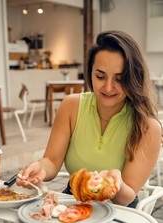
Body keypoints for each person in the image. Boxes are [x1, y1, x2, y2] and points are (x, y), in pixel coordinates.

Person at [16, 30, 162, 208]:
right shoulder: (71, 106)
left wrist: (115, 183)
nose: (108, 87)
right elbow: (52, 162)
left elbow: (126, 196)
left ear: (133, 78)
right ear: (90, 72)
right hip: (74, 198)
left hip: (120, 208)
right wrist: (39, 168)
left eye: (120, 78)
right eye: (100, 76)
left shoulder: (147, 127)